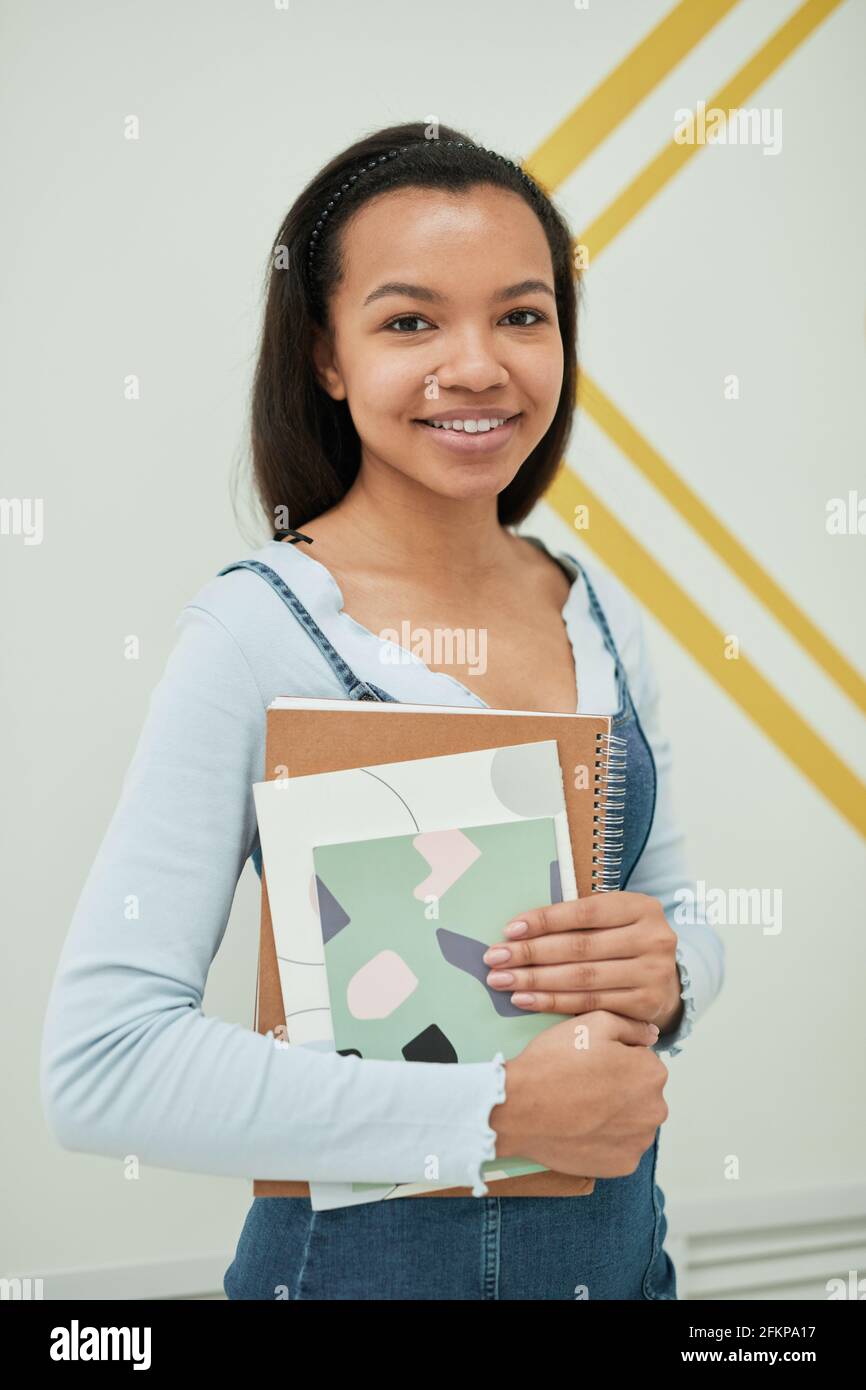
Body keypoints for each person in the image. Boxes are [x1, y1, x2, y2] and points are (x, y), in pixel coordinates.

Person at [40, 120, 724, 1301]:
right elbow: (102, 1066)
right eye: (410, 321)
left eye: (521, 314)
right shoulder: (255, 633)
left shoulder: (595, 608)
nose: (477, 366)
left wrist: (674, 978)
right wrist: (496, 1107)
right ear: (325, 356)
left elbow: (675, 918)